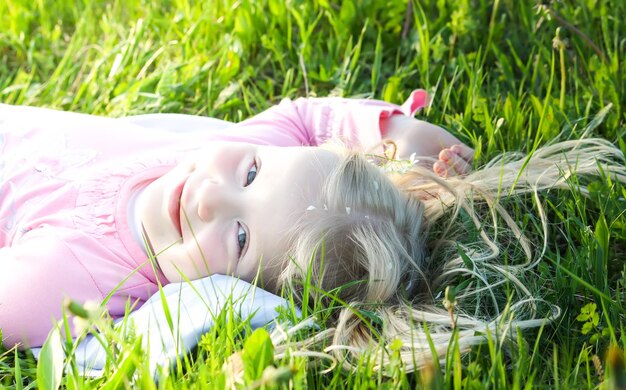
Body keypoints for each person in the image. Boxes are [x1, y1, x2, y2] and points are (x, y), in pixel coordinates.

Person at [0, 90, 465, 349]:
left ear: (244, 291)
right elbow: (304, 118)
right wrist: (405, 136)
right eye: (251, 172)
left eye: (240, 238)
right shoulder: (229, 153)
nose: (209, 197)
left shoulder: (69, 281)